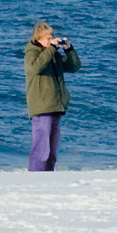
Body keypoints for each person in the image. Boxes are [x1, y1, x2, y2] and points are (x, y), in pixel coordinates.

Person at [23, 22, 82, 171]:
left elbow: (73, 67)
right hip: (41, 106)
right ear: (38, 39)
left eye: (52, 37)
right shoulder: (32, 53)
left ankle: (48, 176)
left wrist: (69, 49)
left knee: (52, 148)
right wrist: (52, 48)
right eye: (48, 38)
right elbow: (36, 67)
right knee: (41, 148)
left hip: (55, 105)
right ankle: (35, 174)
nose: (51, 40)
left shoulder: (52, 54)